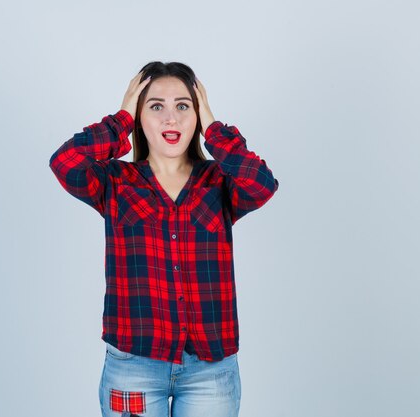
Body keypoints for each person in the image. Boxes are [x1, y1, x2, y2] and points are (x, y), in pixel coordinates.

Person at [49, 61, 279, 417]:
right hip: (133, 367)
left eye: (183, 106)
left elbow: (263, 184)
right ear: (140, 116)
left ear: (197, 114)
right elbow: (65, 162)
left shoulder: (219, 181)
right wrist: (120, 119)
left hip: (210, 370)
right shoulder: (115, 182)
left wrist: (214, 129)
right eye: (156, 106)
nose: (170, 119)